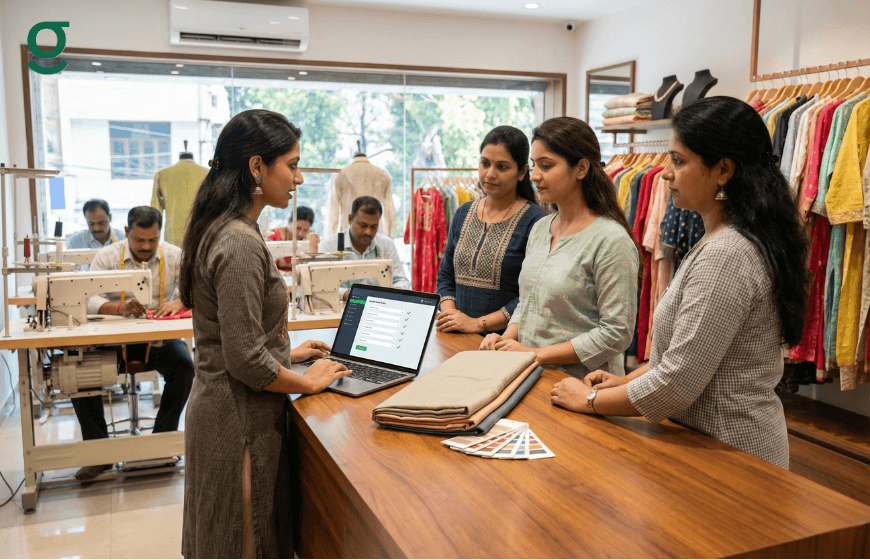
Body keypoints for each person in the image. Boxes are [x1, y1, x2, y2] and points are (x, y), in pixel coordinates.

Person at [550, 97, 811, 470]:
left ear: (722, 169)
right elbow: (686, 355)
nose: (665, 173)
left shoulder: (727, 255)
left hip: (735, 456)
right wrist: (623, 383)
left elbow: (678, 382)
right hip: (709, 444)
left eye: (678, 160)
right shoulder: (722, 239)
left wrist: (587, 400)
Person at [179, 109, 350, 558]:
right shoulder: (237, 241)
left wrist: (286, 354)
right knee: (243, 541)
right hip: (237, 420)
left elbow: (232, 336)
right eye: (291, 165)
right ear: (257, 167)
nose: (298, 178)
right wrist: (309, 380)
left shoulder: (226, 227)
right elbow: (246, 361)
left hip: (224, 407)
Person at [480, 117, 641, 378]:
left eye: (546, 166)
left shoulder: (611, 240)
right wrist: (506, 340)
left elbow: (617, 333)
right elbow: (529, 301)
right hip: (528, 375)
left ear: (581, 168)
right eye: (534, 165)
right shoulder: (541, 228)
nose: (534, 176)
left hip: (581, 386)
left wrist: (536, 354)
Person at [71, 206, 193, 480]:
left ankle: (160, 444)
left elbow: (194, 289)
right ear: (126, 232)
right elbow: (89, 297)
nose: (146, 246)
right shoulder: (107, 256)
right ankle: (98, 452)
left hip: (158, 338)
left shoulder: (174, 256)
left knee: (185, 368)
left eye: (153, 240)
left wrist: (180, 300)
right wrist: (118, 308)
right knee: (80, 375)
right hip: (114, 340)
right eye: (139, 240)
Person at [436, 126, 546, 334]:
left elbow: (532, 295)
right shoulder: (463, 213)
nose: (490, 174)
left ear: (522, 172)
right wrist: (452, 318)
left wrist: (477, 324)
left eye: (502, 167)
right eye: (485, 164)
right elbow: (445, 277)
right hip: (457, 335)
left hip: (504, 343)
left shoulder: (536, 222)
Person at [319, 196, 411, 300]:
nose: (368, 232)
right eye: (363, 225)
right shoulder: (328, 246)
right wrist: (347, 294)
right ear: (350, 219)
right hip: (340, 308)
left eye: (374, 227)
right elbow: (320, 284)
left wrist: (397, 290)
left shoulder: (386, 245)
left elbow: (401, 279)